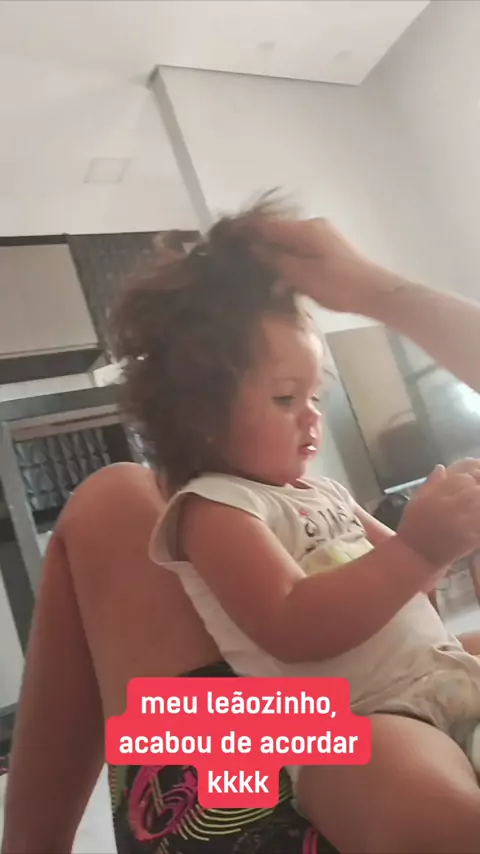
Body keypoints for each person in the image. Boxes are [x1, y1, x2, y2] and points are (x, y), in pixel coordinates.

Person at [2, 203, 480, 854]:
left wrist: (441, 540)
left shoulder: (325, 492)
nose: (311, 417)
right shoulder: (214, 510)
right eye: (286, 398)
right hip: (364, 719)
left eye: (315, 396)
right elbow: (292, 623)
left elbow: (412, 581)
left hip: (439, 673)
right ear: (201, 417)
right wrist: (422, 548)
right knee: (421, 807)